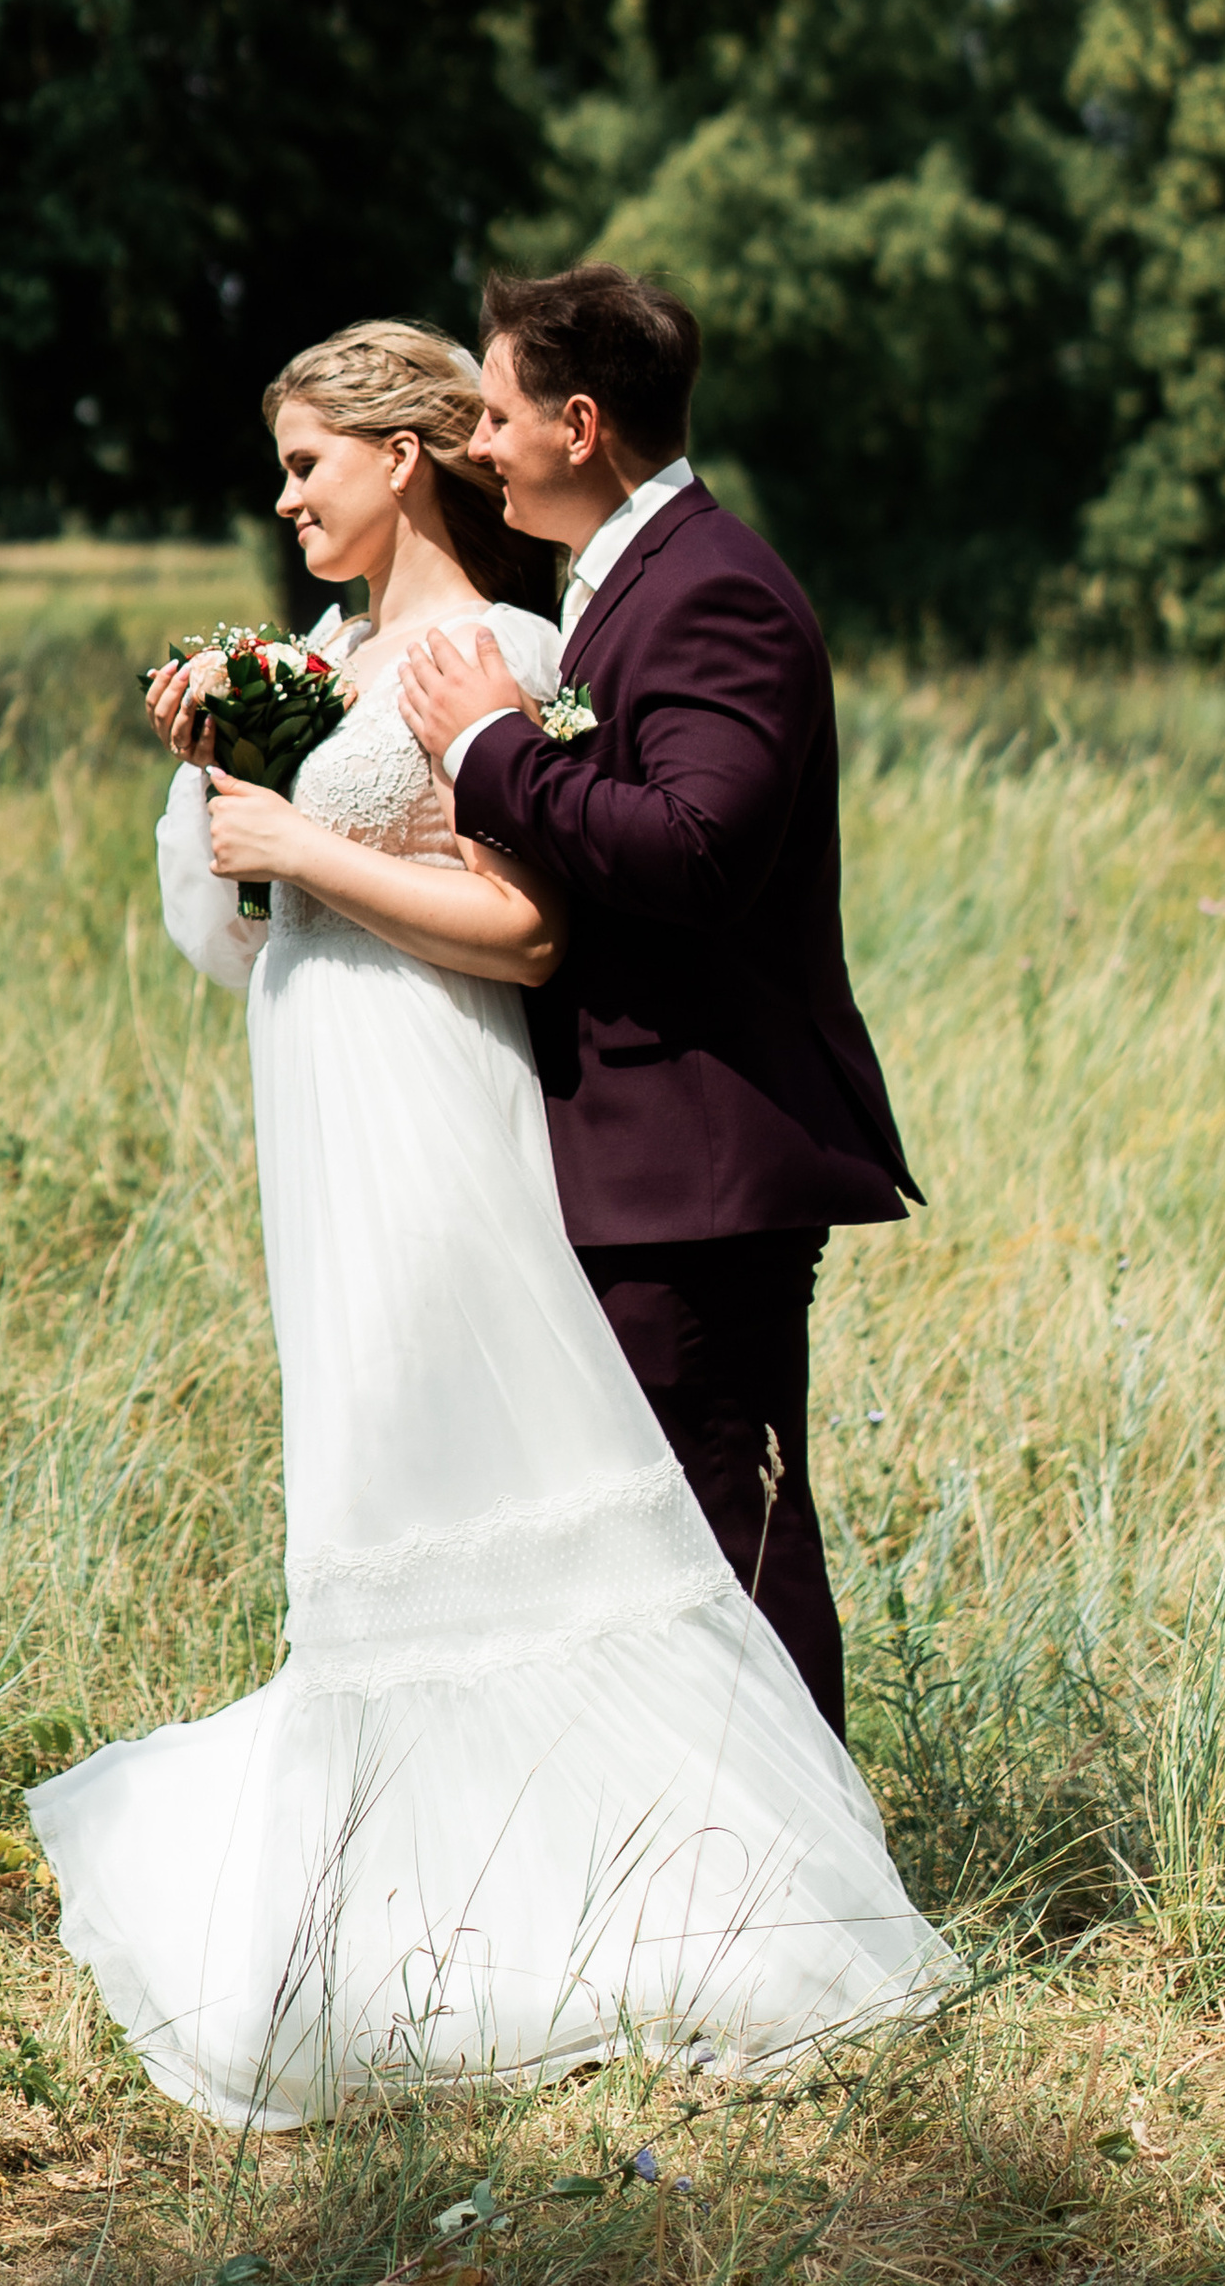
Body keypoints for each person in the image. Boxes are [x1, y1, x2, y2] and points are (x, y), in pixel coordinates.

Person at [27, 320, 950, 2131]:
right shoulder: (322, 663)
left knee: (487, 1482)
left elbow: (525, 931)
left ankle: (702, 1895)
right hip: (321, 1111)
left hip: (441, 1109)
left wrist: (304, 851)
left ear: (403, 455)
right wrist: (228, 775)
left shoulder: (506, 656)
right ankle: (422, 1896)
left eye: (309, 461)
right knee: (369, 1487)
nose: (286, 496)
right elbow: (238, 936)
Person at [396, 262, 918, 1742]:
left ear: (579, 422)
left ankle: (804, 1905)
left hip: (701, 1165)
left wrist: (496, 752)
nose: (475, 445)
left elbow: (699, 854)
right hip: (635, 1158)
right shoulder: (627, 581)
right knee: (661, 1534)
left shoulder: (717, 593)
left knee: (728, 1535)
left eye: (495, 415)